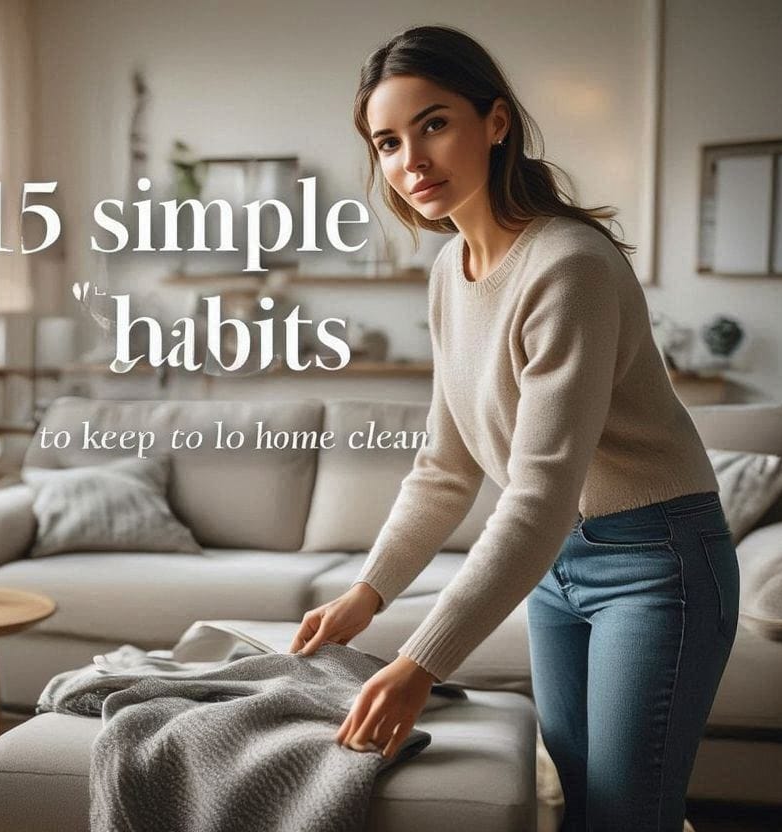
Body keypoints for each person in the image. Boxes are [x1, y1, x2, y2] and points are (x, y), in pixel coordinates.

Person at [288, 25, 739, 832]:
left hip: (657, 561)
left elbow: (537, 494)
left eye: (434, 124)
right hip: (555, 567)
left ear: (495, 122)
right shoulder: (448, 273)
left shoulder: (569, 266)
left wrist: (419, 663)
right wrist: (368, 591)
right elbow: (444, 466)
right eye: (388, 142)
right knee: (576, 804)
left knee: (626, 817)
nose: (412, 160)